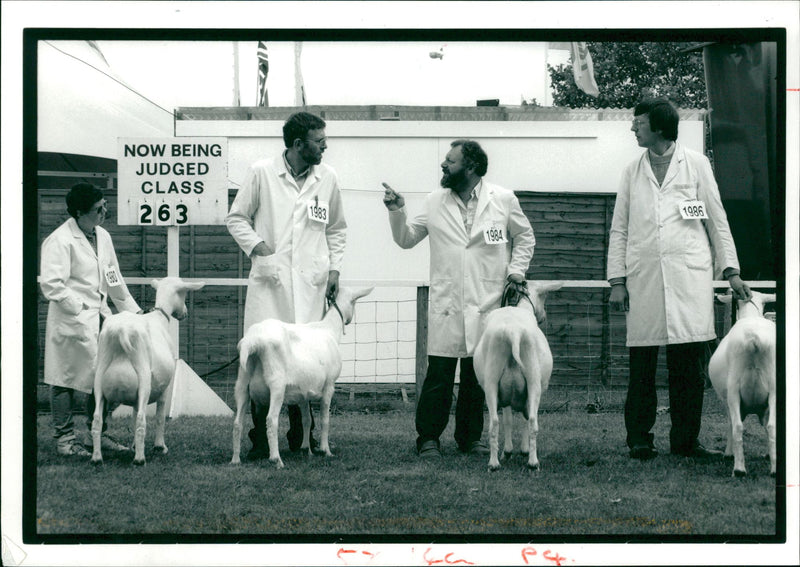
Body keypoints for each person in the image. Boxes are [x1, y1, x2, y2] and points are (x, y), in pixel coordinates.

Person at [607, 97, 752, 461]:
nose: (632, 128)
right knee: (641, 367)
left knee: (687, 368)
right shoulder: (631, 171)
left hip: (689, 279)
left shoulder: (697, 165)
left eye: (637, 123)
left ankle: (686, 442)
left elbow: (716, 221)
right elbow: (619, 229)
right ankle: (639, 439)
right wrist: (617, 281)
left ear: (658, 126)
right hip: (644, 281)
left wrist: (731, 271)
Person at [382, 139, 535, 459]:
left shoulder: (503, 199)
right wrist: (397, 210)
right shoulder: (435, 201)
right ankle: (428, 439)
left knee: (476, 377)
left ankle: (470, 439)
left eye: (450, 161)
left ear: (472, 167)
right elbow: (406, 239)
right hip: (448, 303)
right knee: (438, 376)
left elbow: (525, 237)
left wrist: (517, 272)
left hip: (487, 302)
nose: (443, 165)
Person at [226, 111, 347, 460]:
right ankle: (260, 439)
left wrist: (335, 270)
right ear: (298, 144)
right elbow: (236, 218)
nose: (325, 146)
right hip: (271, 283)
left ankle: (299, 436)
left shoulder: (328, 178)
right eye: (319, 141)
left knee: (302, 360)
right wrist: (258, 247)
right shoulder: (262, 172)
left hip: (310, 283)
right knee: (263, 360)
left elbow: (337, 229)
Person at [40, 182, 141, 457]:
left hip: (100, 319)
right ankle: (65, 440)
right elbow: (51, 285)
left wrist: (134, 312)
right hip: (71, 321)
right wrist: (80, 305)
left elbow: (112, 277)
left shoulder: (103, 236)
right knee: (64, 380)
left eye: (105, 205)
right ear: (79, 212)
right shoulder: (59, 240)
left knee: (103, 378)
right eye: (98, 209)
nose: (104, 212)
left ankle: (98, 433)